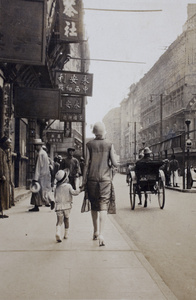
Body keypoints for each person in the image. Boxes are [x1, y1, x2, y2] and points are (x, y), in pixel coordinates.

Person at [81, 122, 118, 246]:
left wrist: (83, 180)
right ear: (104, 131)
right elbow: (114, 163)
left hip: (91, 179)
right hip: (105, 180)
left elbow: (86, 164)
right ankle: (102, 234)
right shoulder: (109, 145)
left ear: (94, 132)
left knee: (94, 205)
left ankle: (95, 231)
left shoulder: (89, 145)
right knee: (103, 206)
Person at [54, 169, 80, 242]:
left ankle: (58, 232)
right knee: (66, 219)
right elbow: (74, 193)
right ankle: (66, 234)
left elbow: (55, 197)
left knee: (59, 221)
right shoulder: (68, 186)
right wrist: (78, 190)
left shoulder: (57, 188)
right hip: (67, 206)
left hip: (59, 206)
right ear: (66, 179)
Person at [29, 138, 55, 212]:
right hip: (46, 174)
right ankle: (50, 200)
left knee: (36, 191)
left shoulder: (40, 154)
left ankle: (38, 205)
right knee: (44, 191)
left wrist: (35, 178)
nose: (34, 147)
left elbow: (38, 166)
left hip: (41, 175)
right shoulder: (44, 153)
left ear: (39, 146)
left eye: (35, 146)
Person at [0, 136, 12, 218]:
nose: (8, 146)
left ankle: (1, 211)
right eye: (7, 144)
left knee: (3, 194)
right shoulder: (1, 152)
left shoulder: (4, 152)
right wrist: (1, 175)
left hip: (5, 175)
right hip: (2, 176)